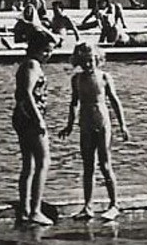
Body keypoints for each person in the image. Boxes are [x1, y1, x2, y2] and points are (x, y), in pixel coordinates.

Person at [61, 42, 129, 220]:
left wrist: (123, 125)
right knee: (88, 166)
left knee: (105, 165)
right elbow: (74, 103)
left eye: (91, 61)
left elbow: (114, 101)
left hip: (102, 121)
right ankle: (87, 206)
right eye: (84, 62)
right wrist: (69, 125)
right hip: (85, 123)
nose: (88, 65)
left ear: (98, 59)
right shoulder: (76, 79)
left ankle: (114, 204)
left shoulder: (105, 77)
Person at [12, 23, 54, 228]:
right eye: (46, 51)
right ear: (36, 49)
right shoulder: (31, 66)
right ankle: (35, 210)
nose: (49, 55)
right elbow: (26, 94)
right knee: (44, 161)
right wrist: (38, 120)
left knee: (28, 164)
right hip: (30, 118)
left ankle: (25, 209)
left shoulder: (27, 64)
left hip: (23, 117)